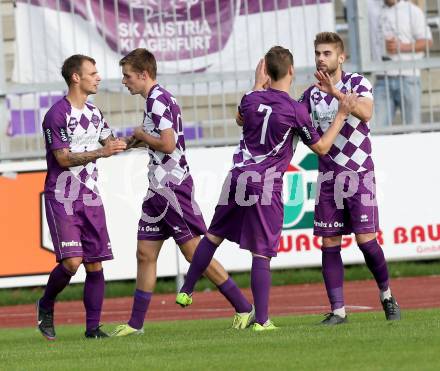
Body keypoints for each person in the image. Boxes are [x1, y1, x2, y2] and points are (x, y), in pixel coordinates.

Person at [175, 46, 355, 331]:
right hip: (266, 184)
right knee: (262, 253)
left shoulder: (249, 99)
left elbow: (240, 117)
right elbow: (321, 147)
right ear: (291, 71)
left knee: (212, 236)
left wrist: (258, 85)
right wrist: (342, 114)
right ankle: (261, 321)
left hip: (236, 177)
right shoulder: (295, 110)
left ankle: (186, 289)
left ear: (265, 73)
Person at [111, 48, 253, 336]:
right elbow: (159, 140)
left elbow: (167, 144)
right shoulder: (155, 99)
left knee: (193, 252)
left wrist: (140, 136)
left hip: (172, 187)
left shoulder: (159, 99)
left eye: (127, 76)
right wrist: (129, 142)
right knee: (144, 253)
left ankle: (243, 307)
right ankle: (135, 325)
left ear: (143, 74)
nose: (124, 81)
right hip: (157, 189)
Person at [299, 32, 401, 325]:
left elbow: (366, 112)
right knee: (329, 243)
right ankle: (338, 311)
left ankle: (386, 295)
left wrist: (336, 94)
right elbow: (293, 121)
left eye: (327, 53)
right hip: (328, 177)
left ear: (341, 57)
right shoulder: (309, 95)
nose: (321, 58)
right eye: (318, 53)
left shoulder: (357, 83)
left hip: (359, 174)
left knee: (366, 241)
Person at [37, 54, 128, 339]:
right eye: (93, 72)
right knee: (72, 262)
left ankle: (93, 329)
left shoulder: (95, 113)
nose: (98, 76)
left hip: (90, 196)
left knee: (95, 262)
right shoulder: (56, 115)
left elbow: (111, 142)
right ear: (76, 77)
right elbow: (63, 159)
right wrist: (103, 151)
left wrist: (145, 138)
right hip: (62, 195)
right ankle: (46, 304)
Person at [372, 0, 432, 126]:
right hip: (382, 78)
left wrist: (401, 47)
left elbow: (427, 41)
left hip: (408, 77)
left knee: (413, 130)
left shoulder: (413, 10)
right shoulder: (371, 7)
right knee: (376, 131)